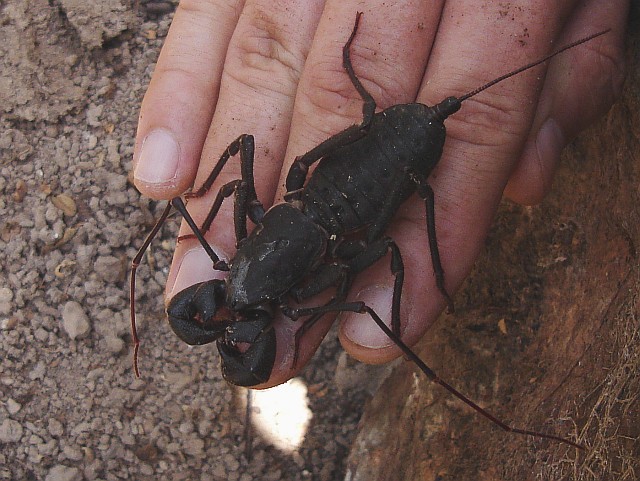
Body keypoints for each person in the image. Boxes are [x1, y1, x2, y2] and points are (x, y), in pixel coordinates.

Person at [132, 1, 628, 388]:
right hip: (327, 196)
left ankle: (435, 269)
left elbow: (343, 274)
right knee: (314, 199)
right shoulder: (263, 267)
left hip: (370, 178)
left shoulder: (285, 287)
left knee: (378, 238)